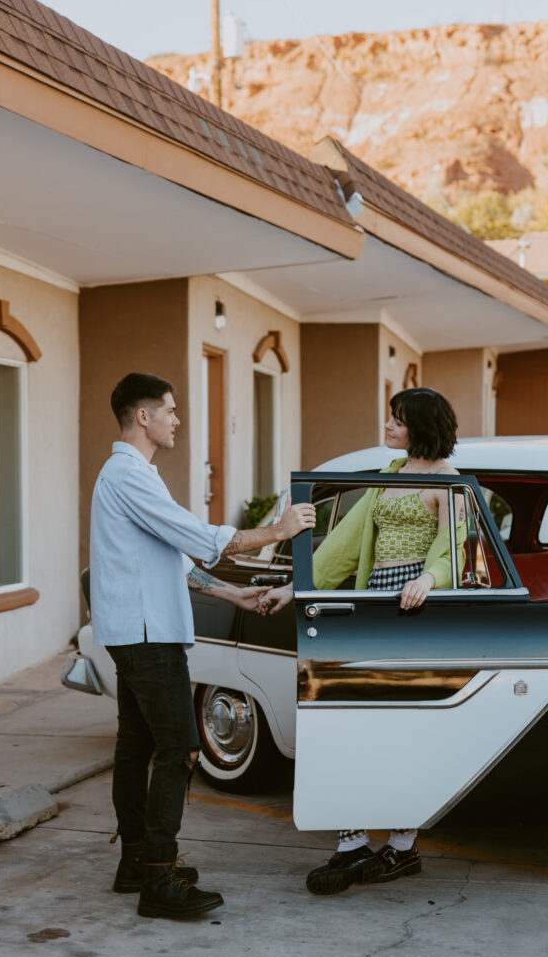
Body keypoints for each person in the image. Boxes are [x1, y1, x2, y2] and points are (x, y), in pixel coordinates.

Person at [90, 372, 315, 920]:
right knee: (182, 748)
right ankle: (160, 879)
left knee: (137, 746)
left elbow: (172, 558)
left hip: (135, 630)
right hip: (148, 635)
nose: (176, 418)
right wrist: (279, 531)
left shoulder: (130, 474)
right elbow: (198, 536)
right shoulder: (129, 476)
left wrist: (232, 592)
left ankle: (137, 862)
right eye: (169, 410)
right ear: (142, 417)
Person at [261, 387, 465, 895]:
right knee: (349, 725)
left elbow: (457, 547)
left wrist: (430, 580)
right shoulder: (388, 477)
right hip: (369, 607)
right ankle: (351, 842)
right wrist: (294, 588)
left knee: (405, 732)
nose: (388, 426)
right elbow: (343, 546)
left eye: (397, 420)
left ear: (420, 425)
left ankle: (402, 843)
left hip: (414, 613)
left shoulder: (451, 483)